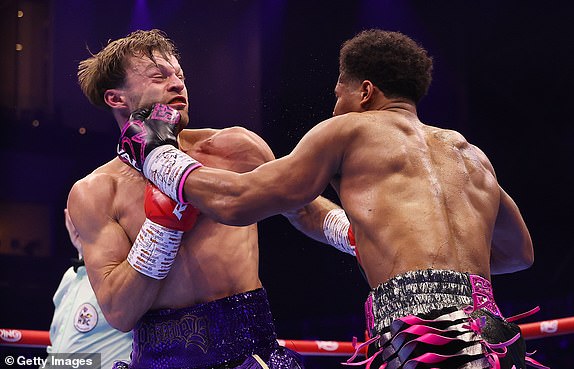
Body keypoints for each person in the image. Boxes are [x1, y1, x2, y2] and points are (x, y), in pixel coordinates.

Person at [118, 29, 545, 368]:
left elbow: (237, 201)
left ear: (365, 92)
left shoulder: (346, 130)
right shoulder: (468, 152)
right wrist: (394, 243)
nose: (335, 107)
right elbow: (518, 253)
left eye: (338, 95)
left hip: (424, 337)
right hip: (495, 336)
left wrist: (157, 155)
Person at [68, 29, 352, 369]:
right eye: (159, 77)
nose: (177, 84)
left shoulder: (235, 149)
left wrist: (359, 237)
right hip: (160, 360)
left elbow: (304, 208)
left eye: (180, 75)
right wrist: (161, 229)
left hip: (251, 351)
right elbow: (119, 311)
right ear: (116, 99)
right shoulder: (96, 191)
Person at [47, 209, 133, 368]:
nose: (78, 223)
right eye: (72, 214)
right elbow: (57, 343)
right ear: (66, 217)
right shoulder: (69, 277)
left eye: (85, 212)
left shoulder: (125, 274)